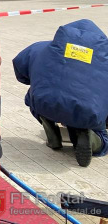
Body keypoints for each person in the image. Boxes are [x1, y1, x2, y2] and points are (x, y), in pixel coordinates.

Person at [13, 19, 108, 167]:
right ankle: (93, 137)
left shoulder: (41, 48)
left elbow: (20, 70)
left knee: (33, 93)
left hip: (46, 103)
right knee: (98, 125)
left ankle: (51, 129)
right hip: (90, 111)